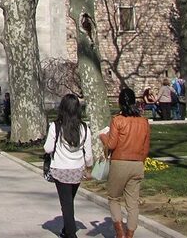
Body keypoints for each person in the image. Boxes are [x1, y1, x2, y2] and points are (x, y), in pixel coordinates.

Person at [100, 88, 151, 238]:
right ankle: (129, 235)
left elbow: (111, 145)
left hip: (120, 162)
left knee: (114, 198)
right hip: (137, 164)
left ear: (119, 102)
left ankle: (120, 234)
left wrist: (103, 136)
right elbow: (146, 147)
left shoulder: (118, 120)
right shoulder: (144, 122)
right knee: (133, 204)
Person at [44, 94, 94, 238]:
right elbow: (88, 153)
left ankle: (70, 233)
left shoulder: (56, 126)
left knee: (66, 204)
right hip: (77, 170)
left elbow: (47, 148)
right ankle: (67, 229)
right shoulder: (84, 128)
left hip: (60, 169)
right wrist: (89, 167)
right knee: (68, 201)